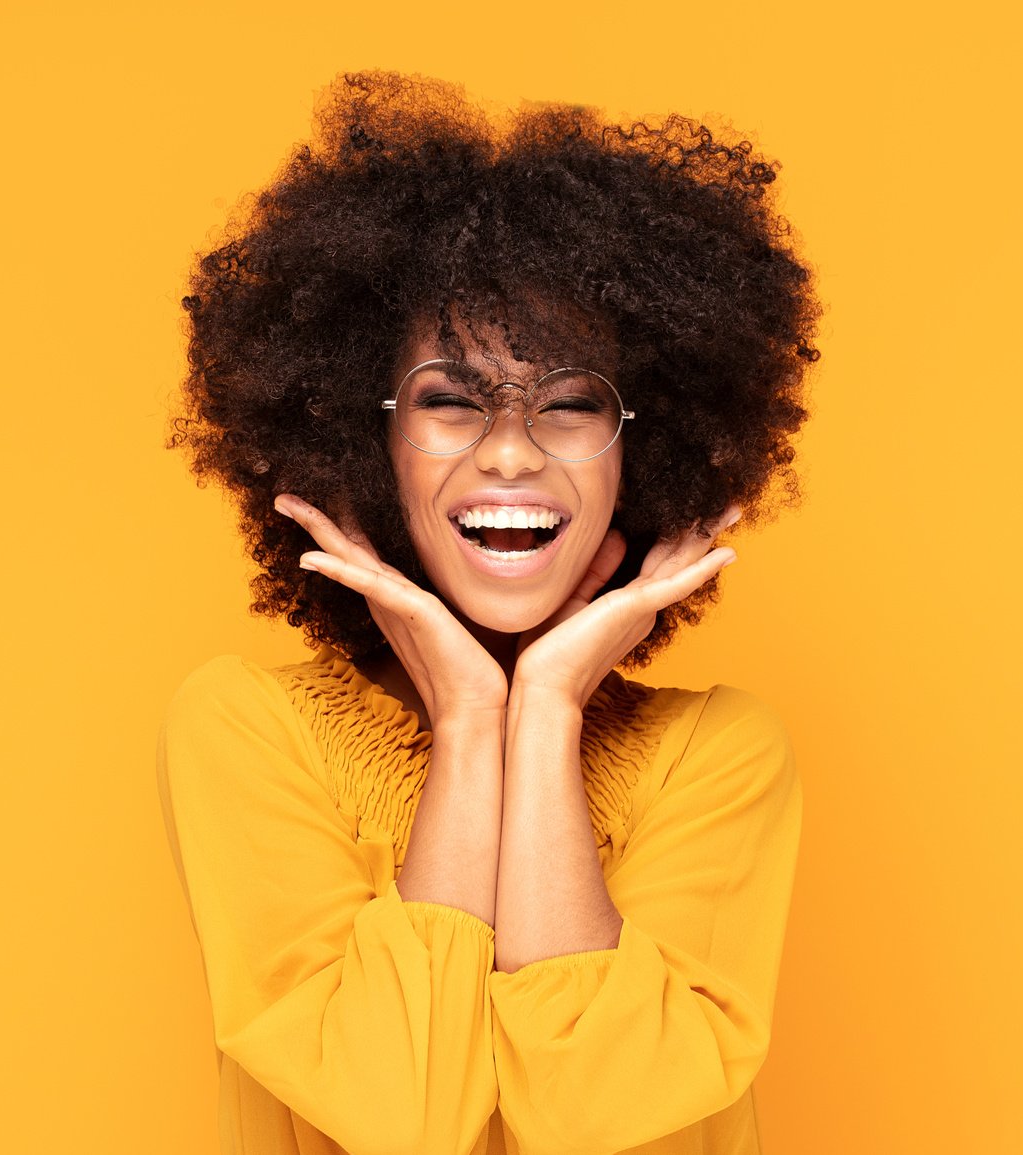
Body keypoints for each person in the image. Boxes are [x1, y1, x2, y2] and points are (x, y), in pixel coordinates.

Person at [156, 71, 821, 1155]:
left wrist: (547, 705)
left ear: (639, 454)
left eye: (567, 404)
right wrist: (472, 719)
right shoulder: (243, 730)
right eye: (451, 399)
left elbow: (600, 1119)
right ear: (363, 440)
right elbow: (397, 1116)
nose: (510, 450)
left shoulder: (718, 754)